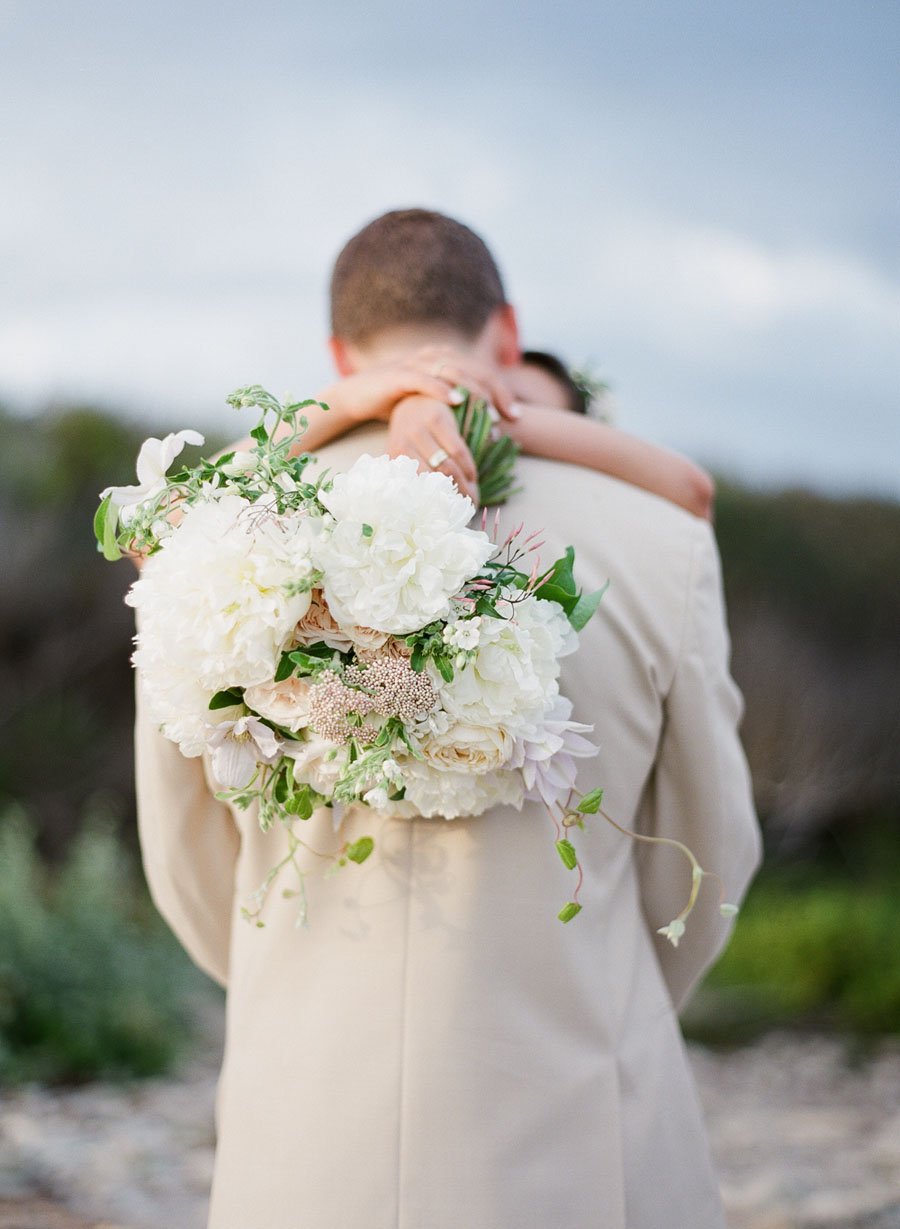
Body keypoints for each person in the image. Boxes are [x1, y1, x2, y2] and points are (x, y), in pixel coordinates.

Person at [134, 208, 761, 1228]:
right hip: (582, 1125)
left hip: (304, 1130)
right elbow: (711, 844)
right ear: (506, 337)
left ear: (338, 356)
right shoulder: (661, 540)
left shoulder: (211, 546)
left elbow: (186, 856)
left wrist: (292, 967)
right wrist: (605, 987)